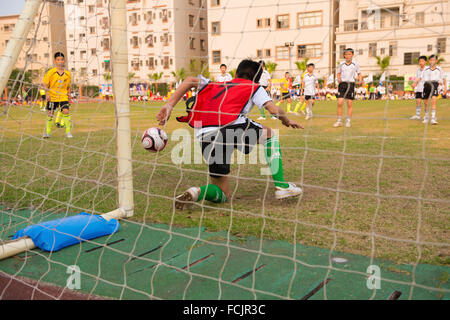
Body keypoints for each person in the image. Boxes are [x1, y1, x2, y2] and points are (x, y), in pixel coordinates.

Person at [156, 59, 304, 209]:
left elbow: (189, 80)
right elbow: (273, 110)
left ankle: (197, 192)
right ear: (257, 79)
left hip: (205, 135)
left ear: (236, 73)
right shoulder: (254, 86)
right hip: (230, 126)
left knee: (222, 193)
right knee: (269, 134)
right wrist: (286, 120)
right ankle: (281, 186)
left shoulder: (215, 84)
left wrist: (169, 105)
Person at [41, 52, 72, 138]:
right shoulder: (51, 72)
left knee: (66, 111)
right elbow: (45, 84)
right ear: (55, 61)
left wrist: (69, 95)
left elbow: (68, 86)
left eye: (62, 59)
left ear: (64, 60)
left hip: (63, 96)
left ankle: (68, 132)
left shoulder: (67, 74)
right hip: (52, 96)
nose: (60, 61)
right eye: (58, 60)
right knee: (50, 113)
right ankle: (48, 133)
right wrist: (47, 94)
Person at [334, 48, 363, 128]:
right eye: (346, 54)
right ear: (344, 55)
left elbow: (359, 73)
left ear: (352, 55)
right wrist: (339, 78)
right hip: (342, 84)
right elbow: (338, 73)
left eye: (349, 54)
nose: (347, 56)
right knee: (339, 103)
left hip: (351, 84)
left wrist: (360, 80)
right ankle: (339, 121)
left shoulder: (355, 64)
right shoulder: (341, 64)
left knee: (349, 103)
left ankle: (348, 121)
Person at [420, 54, 446, 125]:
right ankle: (426, 117)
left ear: (436, 61)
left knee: (433, 101)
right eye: (430, 60)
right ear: (429, 61)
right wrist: (416, 83)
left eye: (433, 60)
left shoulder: (439, 69)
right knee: (426, 103)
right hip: (426, 85)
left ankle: (433, 118)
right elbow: (421, 78)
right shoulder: (425, 69)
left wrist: (445, 88)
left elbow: (443, 79)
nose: (432, 61)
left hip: (434, 85)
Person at [410, 56, 427, 120]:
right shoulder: (418, 70)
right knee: (418, 101)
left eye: (422, 61)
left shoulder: (427, 69)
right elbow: (417, 78)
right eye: (419, 61)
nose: (420, 62)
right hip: (419, 88)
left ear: (425, 62)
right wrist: (414, 85)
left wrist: (414, 83)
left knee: (426, 102)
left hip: (425, 88)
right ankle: (417, 115)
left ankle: (426, 116)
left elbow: (421, 78)